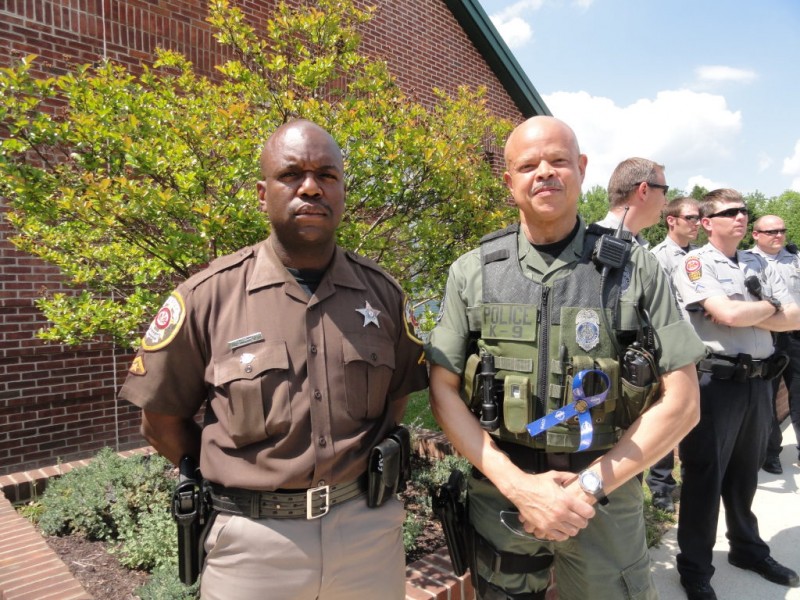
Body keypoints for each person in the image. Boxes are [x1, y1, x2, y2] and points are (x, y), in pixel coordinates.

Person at [118, 120, 428, 600]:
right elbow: (160, 422)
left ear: (343, 192)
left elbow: (396, 400)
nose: (311, 187)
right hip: (253, 547)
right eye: (292, 175)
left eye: (327, 175)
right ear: (263, 194)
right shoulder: (206, 298)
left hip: (366, 535)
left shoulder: (383, 295)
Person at [426, 115, 705, 600]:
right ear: (509, 180)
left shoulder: (634, 268)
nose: (545, 173)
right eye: (529, 164)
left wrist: (586, 488)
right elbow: (442, 390)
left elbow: (683, 401)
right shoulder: (472, 272)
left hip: (606, 493)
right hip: (501, 497)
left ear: (580, 168)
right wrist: (518, 487)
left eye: (558, 161)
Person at [673, 190, 800, 600]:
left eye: (744, 210)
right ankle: (694, 569)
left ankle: (746, 550)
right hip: (716, 385)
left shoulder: (754, 262)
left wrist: (757, 308)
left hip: (759, 383)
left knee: (745, 476)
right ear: (708, 222)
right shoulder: (694, 263)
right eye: (729, 212)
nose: (741, 217)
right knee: (704, 480)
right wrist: (768, 307)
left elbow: (793, 317)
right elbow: (726, 315)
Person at [646, 197, 701, 513]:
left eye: (699, 217)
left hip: (700, 347)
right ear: (671, 220)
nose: (697, 223)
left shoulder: (700, 257)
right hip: (669, 351)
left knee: (695, 418)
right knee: (668, 417)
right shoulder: (657, 258)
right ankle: (662, 486)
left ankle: (691, 480)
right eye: (691, 217)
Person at [748, 215, 800, 474]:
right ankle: (771, 454)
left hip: (796, 337)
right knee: (767, 398)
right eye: (771, 231)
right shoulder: (746, 261)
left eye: (782, 230)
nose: (778, 235)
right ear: (755, 234)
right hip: (767, 336)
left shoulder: (796, 258)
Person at [595, 157, 670, 247]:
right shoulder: (588, 243)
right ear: (644, 191)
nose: (666, 202)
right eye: (664, 191)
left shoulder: (590, 241)